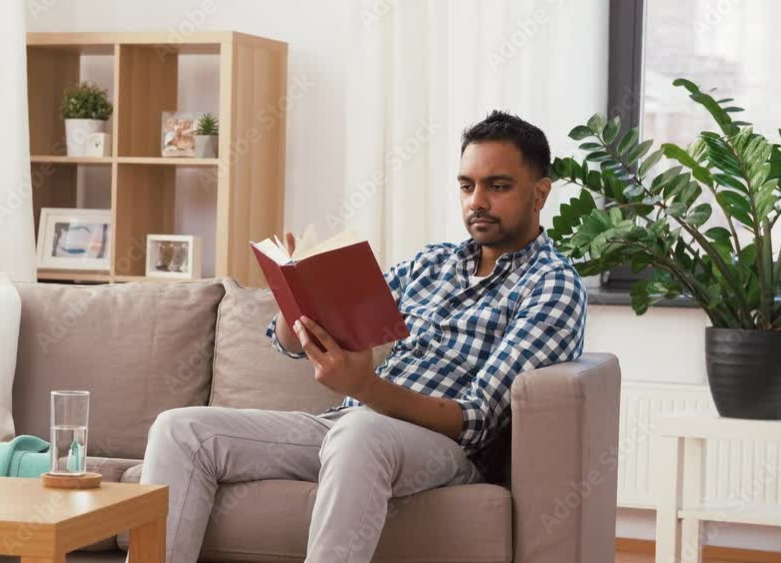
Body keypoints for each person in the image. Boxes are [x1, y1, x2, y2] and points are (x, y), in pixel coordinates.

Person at [136, 111, 588, 563]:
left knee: (360, 430)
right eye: (467, 186)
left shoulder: (551, 284)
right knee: (181, 428)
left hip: (441, 450)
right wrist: (296, 304)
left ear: (540, 193)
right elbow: (304, 334)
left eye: (498, 186)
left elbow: (476, 420)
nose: (478, 201)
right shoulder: (433, 263)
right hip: (349, 424)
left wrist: (363, 386)